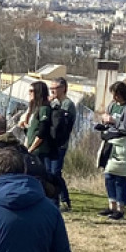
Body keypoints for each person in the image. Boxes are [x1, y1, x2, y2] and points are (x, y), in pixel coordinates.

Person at [96, 82, 126, 220]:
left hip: (120, 144)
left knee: (119, 177)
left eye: (116, 94)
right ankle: (111, 205)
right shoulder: (112, 105)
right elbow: (107, 120)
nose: (114, 97)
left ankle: (121, 208)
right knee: (108, 176)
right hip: (109, 142)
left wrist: (113, 121)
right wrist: (103, 124)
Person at [16, 81, 55, 200]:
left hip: (40, 150)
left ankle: (51, 200)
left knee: (42, 177)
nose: (29, 93)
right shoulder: (34, 109)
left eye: (32, 91)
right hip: (31, 147)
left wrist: (31, 149)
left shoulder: (44, 109)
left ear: (39, 92)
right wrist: (29, 110)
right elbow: (30, 130)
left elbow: (42, 132)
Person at [45, 79, 76, 211]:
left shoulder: (68, 104)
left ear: (63, 88)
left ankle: (61, 201)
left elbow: (61, 123)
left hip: (60, 144)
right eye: (51, 88)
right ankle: (57, 199)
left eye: (55, 88)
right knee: (49, 173)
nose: (52, 91)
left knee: (56, 173)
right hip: (50, 143)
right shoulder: (53, 103)